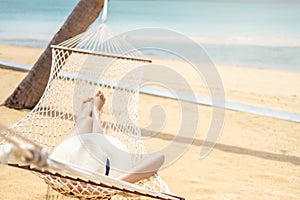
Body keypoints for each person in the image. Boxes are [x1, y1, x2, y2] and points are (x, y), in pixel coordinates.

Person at [50, 91, 164, 184]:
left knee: (83, 126)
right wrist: (95, 109)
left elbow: (97, 139)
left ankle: (86, 112)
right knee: (87, 129)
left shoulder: (56, 171)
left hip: (73, 168)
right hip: (106, 181)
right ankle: (91, 110)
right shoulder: (60, 173)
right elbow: (98, 137)